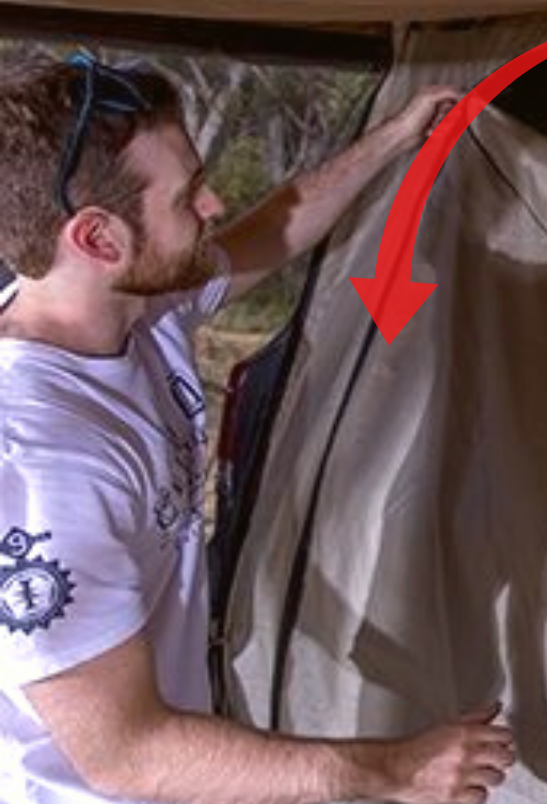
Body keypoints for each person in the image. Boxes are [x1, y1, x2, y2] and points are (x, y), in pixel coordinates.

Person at [0, 51, 515, 804]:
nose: (212, 207)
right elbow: (126, 754)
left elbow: (270, 231)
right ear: (98, 240)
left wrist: (396, 135)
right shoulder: (42, 462)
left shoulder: (137, 308)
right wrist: (401, 770)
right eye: (188, 197)